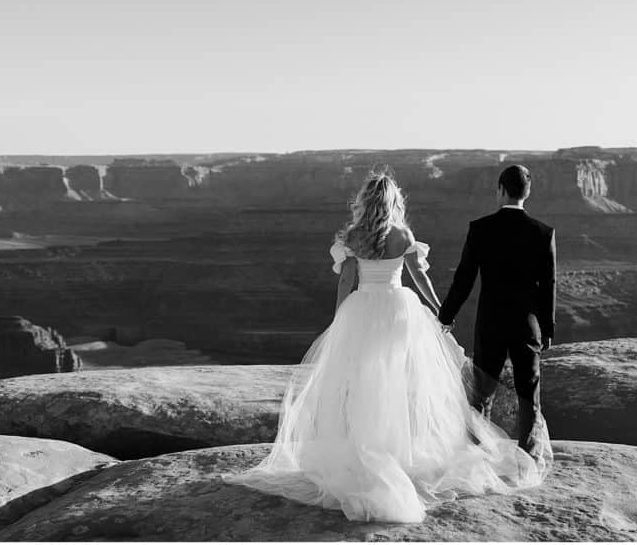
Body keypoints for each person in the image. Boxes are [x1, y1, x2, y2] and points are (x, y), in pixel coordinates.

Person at [222, 171, 547, 523]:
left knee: (363, 386)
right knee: (400, 385)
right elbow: (418, 276)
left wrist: (339, 320)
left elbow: (347, 280)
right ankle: (398, 454)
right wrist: (440, 311)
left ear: (366, 201)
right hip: (398, 313)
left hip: (363, 311)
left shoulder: (353, 237)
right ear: (394, 202)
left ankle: (368, 454)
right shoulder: (402, 235)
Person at [438, 164, 556, 460]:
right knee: (529, 393)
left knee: (481, 395)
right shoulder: (543, 233)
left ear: (501, 190)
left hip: (490, 322)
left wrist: (446, 316)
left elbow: (463, 279)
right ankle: (528, 458)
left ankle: (475, 459)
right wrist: (548, 328)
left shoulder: (480, 229)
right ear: (527, 192)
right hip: (527, 324)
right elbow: (548, 285)